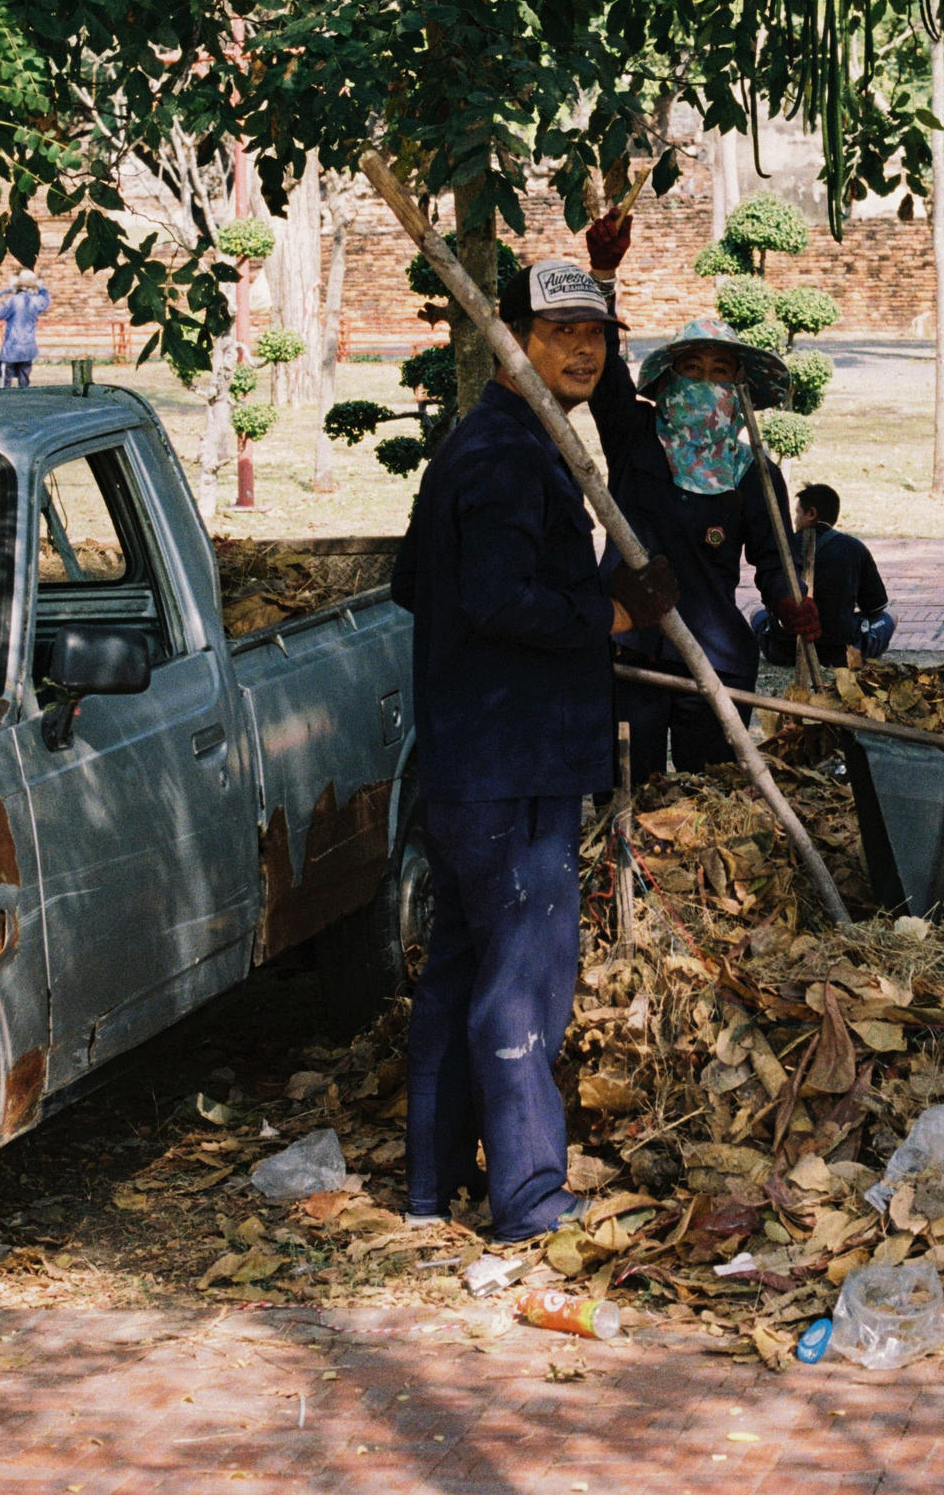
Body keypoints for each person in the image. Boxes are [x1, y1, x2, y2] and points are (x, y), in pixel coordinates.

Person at [390, 258, 678, 1243]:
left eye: (595, 331)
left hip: (478, 760)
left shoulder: (490, 445)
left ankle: (430, 1188)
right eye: (559, 331)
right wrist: (603, 611)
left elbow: (412, 583)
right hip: (513, 771)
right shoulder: (505, 458)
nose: (584, 348)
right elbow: (493, 598)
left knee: (462, 976)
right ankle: (526, 1198)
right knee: (522, 986)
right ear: (508, 337)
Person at [579, 209, 814, 778]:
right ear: (668, 381)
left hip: (714, 654)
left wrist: (789, 602)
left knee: (708, 796)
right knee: (628, 793)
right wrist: (603, 277)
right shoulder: (635, 438)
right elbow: (606, 377)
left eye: (720, 371)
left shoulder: (753, 469)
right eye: (692, 368)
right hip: (631, 648)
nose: (705, 382)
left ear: (739, 389)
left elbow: (773, 557)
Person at [752, 483, 895, 666]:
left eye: (798, 513)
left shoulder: (785, 546)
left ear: (811, 514)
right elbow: (876, 608)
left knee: (755, 612)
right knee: (891, 615)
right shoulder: (854, 548)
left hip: (784, 652)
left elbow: (771, 606)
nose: (795, 520)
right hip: (841, 654)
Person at [0, 269, 50, 387]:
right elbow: (46, 301)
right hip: (28, 348)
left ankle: (4, 401)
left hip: (12, 348)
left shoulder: (13, 300)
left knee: (6, 381)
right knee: (24, 380)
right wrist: (42, 287)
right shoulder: (37, 300)